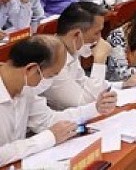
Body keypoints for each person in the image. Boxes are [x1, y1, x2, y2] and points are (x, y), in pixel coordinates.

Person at [0, 35, 117, 166]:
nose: (49, 82)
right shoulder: (24, 85)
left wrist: (95, 108)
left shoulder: (25, 87)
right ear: (31, 69)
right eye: (51, 75)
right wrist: (48, 138)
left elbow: (47, 120)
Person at [43, 2, 136, 110]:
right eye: (97, 33)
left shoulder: (70, 51)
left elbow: (83, 84)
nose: (100, 39)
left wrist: (123, 84)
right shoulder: (52, 60)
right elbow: (87, 102)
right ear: (76, 35)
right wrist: (99, 61)